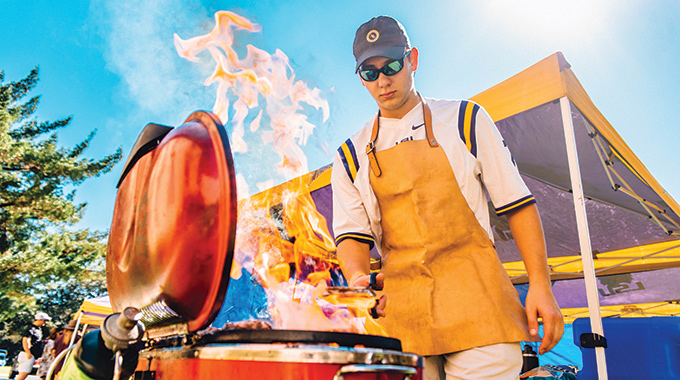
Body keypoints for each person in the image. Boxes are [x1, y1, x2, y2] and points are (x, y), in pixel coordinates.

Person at [331, 16, 564, 379]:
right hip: (401, 315)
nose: (383, 80)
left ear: (413, 60)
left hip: (479, 303)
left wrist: (540, 285)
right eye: (370, 72)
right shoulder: (349, 154)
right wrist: (359, 278)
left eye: (392, 65)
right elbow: (352, 236)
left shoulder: (464, 119)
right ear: (360, 77)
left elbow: (517, 204)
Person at [16, 312, 51, 380]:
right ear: (39, 319)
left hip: (30, 354)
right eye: (44, 320)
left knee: (24, 374)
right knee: (23, 374)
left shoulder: (38, 329)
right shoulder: (31, 329)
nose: (45, 322)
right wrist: (28, 353)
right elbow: (26, 340)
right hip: (27, 354)